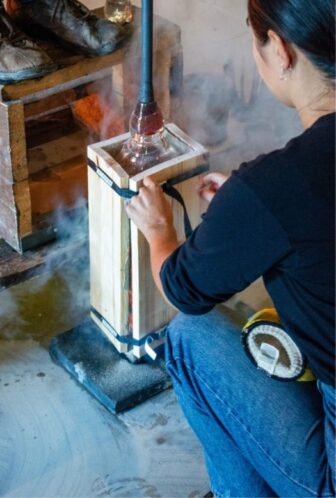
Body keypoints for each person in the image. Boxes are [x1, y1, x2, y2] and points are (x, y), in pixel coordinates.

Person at [126, 0, 335, 495]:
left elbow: (182, 288)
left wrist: (161, 232)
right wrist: (248, 210)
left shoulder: (276, 186)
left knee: (188, 336)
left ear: (280, 51)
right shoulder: (273, 189)